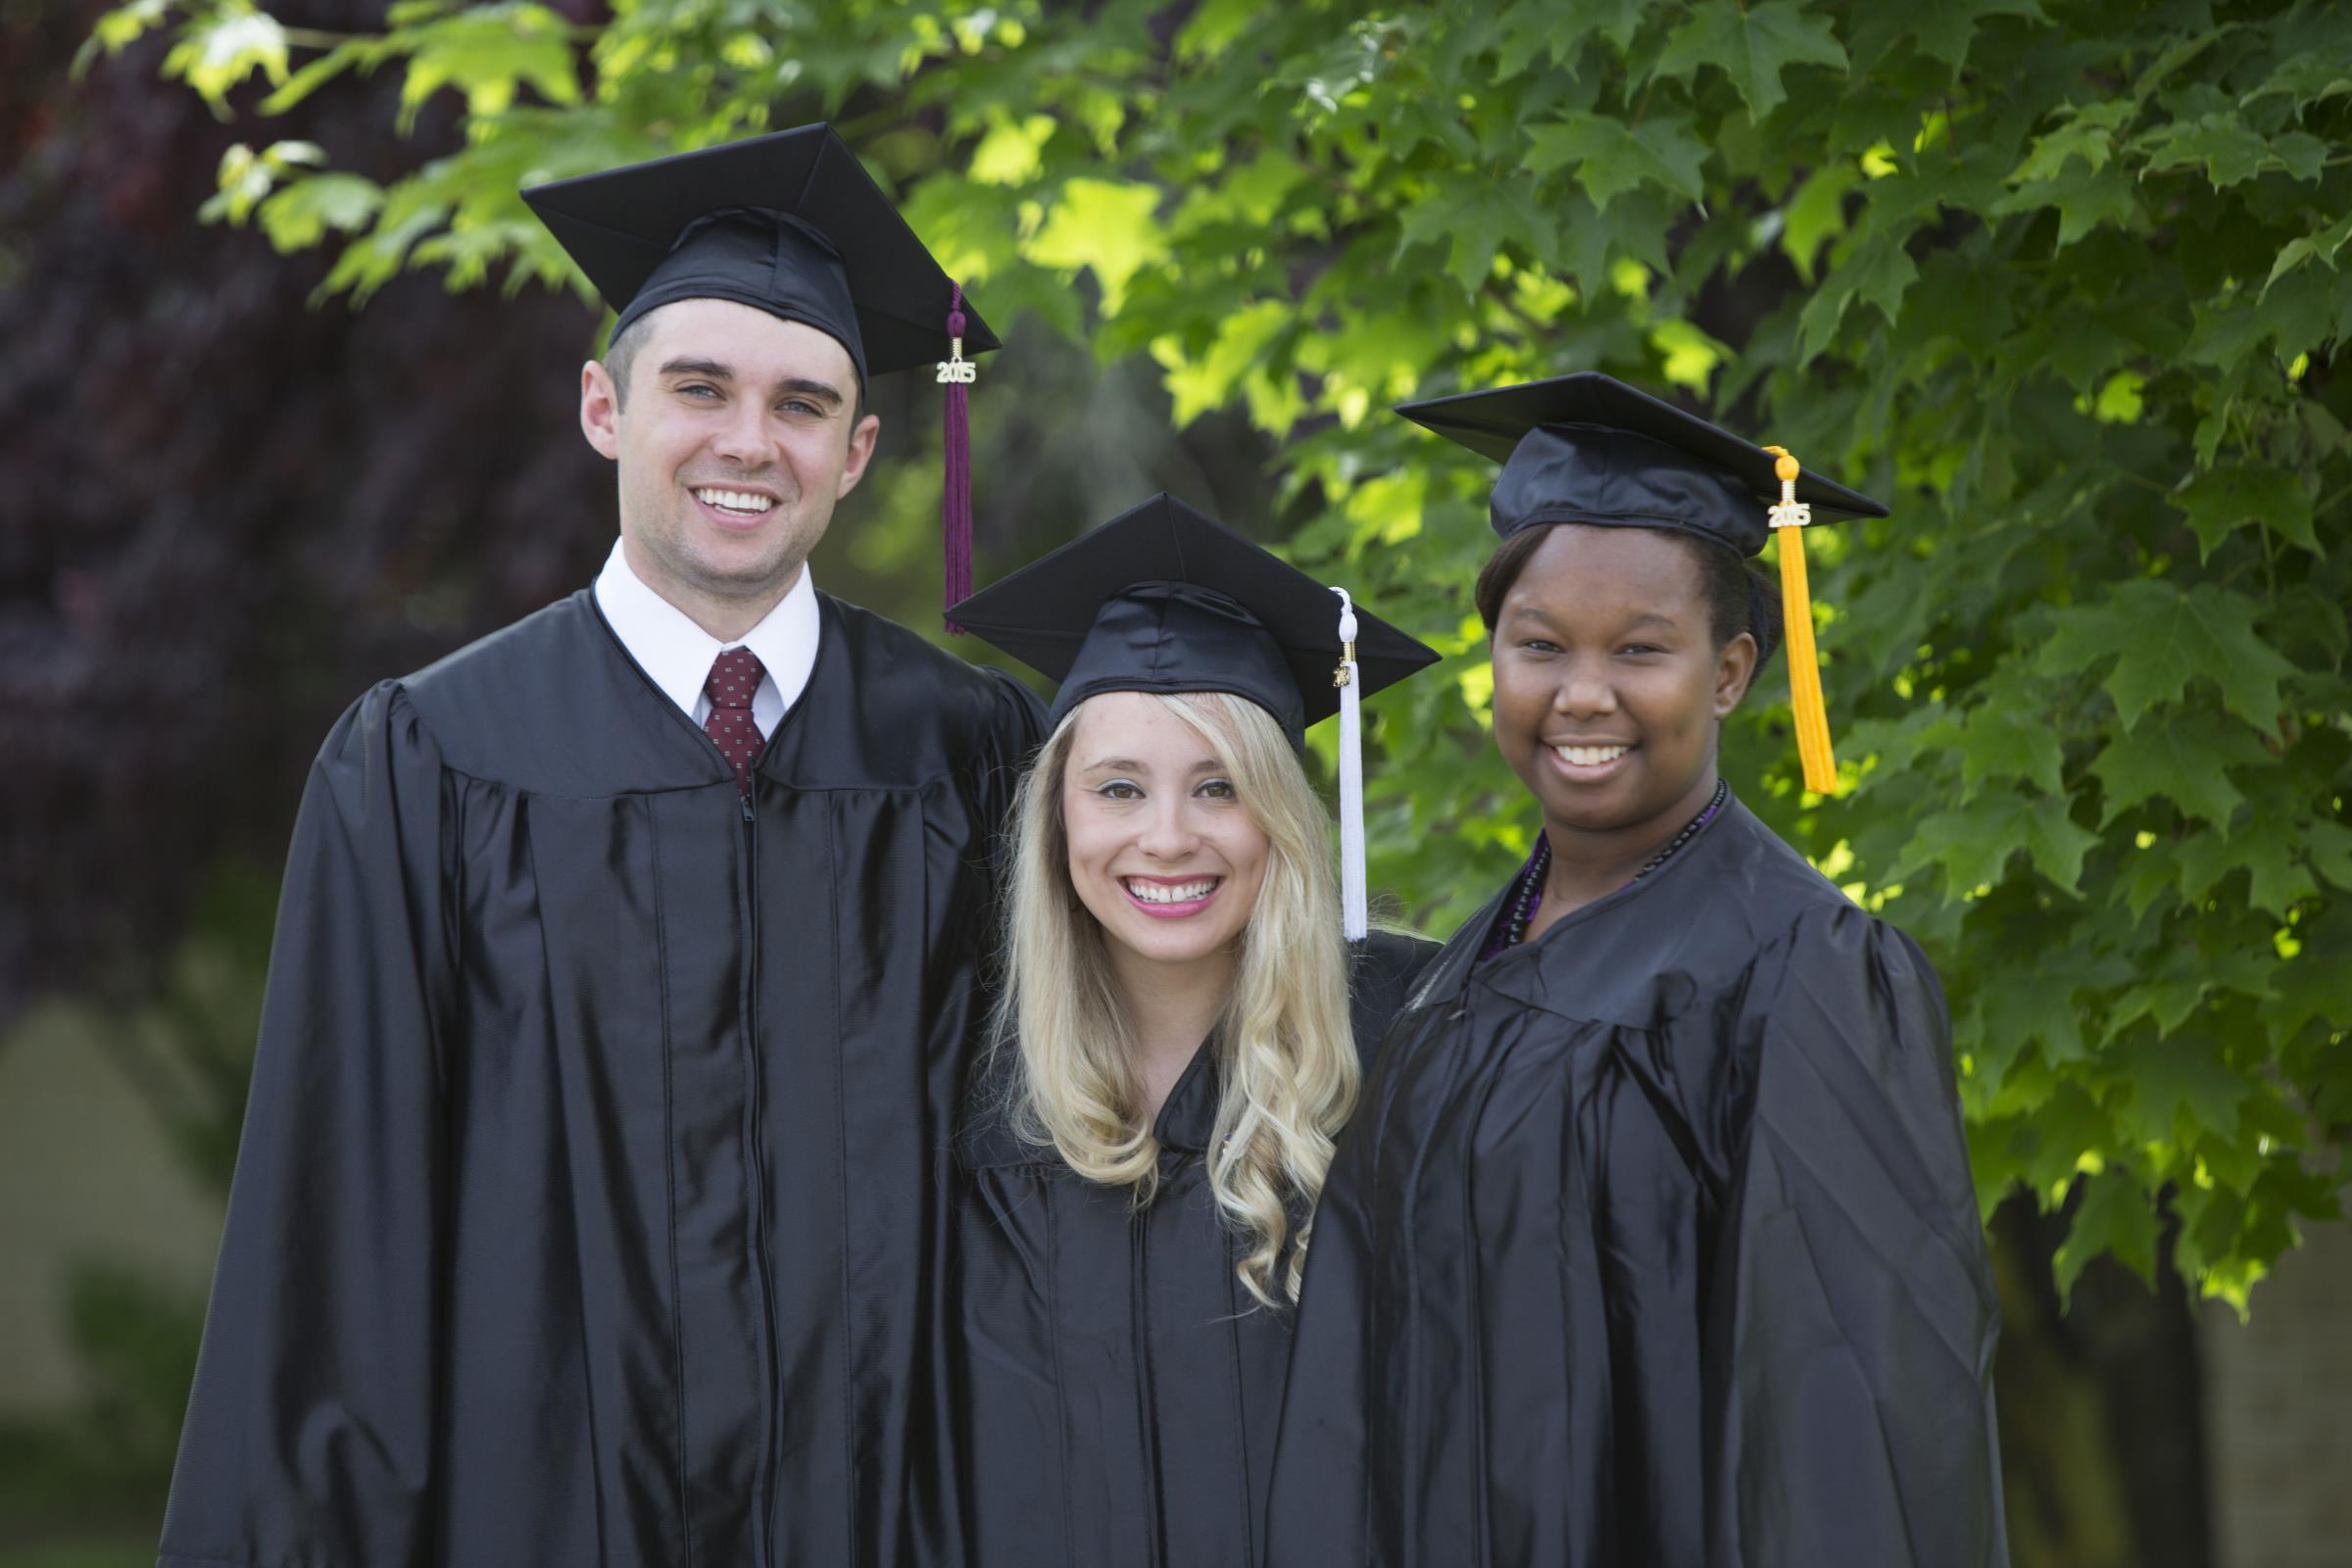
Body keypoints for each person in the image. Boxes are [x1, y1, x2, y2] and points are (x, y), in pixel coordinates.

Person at [159, 126, 1043, 1568]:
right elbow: (337, 1241)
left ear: (860, 450)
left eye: (802, 404)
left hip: (897, 1521)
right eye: (699, 389)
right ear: (603, 408)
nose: (748, 441)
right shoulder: (427, 764)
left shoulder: (973, 758)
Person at [1267, 374, 2007, 1567]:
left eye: (1642, 650)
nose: (1583, 694)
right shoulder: (1457, 976)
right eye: (1540, 645)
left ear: (1729, 673)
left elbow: (1853, 1423)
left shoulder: (1802, 971)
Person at [943, 494, 1441, 1565]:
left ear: (1281, 816)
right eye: (1118, 788)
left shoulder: (1417, 1046)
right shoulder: (976, 1094)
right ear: (1057, 819)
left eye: (1220, 786)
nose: (1167, 838)